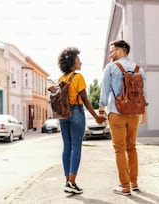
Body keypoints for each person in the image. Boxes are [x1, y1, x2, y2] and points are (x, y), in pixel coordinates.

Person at [98, 40, 148, 196]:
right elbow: (143, 93)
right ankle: (133, 182)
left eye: (112, 51)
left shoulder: (111, 68)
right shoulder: (139, 69)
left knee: (119, 149)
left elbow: (104, 90)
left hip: (117, 113)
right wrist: (144, 113)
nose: (110, 54)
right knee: (131, 147)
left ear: (120, 51)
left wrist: (101, 111)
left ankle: (124, 185)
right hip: (134, 114)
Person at [57, 47, 106, 194]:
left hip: (63, 114)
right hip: (76, 112)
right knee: (76, 146)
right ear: (72, 63)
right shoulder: (78, 77)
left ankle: (68, 181)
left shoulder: (61, 79)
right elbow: (85, 99)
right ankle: (71, 183)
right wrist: (96, 116)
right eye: (78, 60)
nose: (81, 62)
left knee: (67, 146)